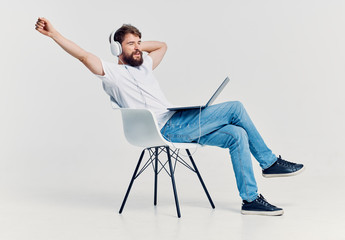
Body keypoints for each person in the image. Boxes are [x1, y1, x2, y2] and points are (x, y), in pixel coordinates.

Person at [35, 17, 304, 216]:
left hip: (179, 122)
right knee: (235, 108)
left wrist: (137, 44)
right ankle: (269, 162)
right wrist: (54, 34)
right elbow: (82, 55)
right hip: (164, 129)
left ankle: (250, 200)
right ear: (117, 49)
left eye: (139, 43)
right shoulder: (111, 74)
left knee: (237, 134)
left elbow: (162, 45)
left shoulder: (145, 67)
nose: (139, 48)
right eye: (131, 44)